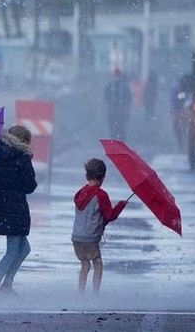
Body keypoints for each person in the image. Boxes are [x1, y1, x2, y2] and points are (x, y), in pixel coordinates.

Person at [0, 125, 37, 293]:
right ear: (24, 141)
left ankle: (7, 283)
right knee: (14, 250)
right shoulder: (22, 158)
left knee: (24, 248)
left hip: (1, 204)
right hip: (15, 208)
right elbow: (29, 186)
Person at [71, 158, 127, 294]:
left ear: (86, 176)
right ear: (102, 178)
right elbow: (109, 216)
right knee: (98, 264)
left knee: (84, 265)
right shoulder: (101, 195)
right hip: (90, 238)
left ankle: (80, 294)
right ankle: (95, 294)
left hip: (76, 237)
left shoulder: (80, 193)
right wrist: (121, 205)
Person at [104, 68, 133, 140]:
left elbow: (128, 98)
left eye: (118, 74)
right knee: (114, 129)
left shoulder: (123, 86)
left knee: (120, 129)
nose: (117, 76)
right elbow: (106, 97)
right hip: (113, 111)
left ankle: (120, 142)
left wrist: (126, 108)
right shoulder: (111, 85)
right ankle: (115, 141)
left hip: (120, 112)